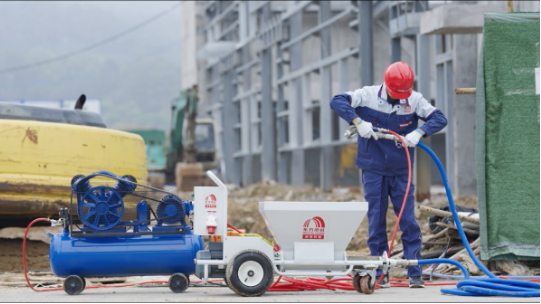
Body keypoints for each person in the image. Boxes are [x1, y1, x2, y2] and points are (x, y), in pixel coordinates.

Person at [330, 62, 448, 288]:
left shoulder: (415, 100)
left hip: (401, 168)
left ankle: (415, 272)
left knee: (407, 220)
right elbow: (337, 100)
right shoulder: (367, 95)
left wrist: (419, 131)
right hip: (373, 167)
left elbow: (439, 118)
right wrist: (358, 121)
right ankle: (379, 273)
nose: (399, 98)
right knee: (376, 219)